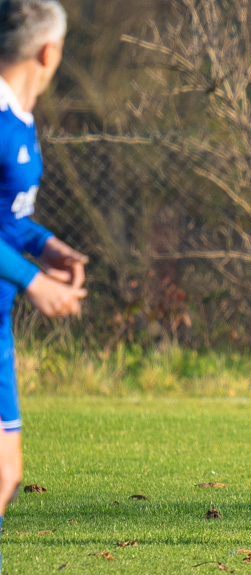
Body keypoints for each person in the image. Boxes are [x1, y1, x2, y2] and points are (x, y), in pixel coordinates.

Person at [0, 0, 87, 568]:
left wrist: (45, 245)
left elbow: (6, 217)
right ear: (48, 51)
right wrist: (34, 280)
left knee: (6, 473)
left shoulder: (19, 117)